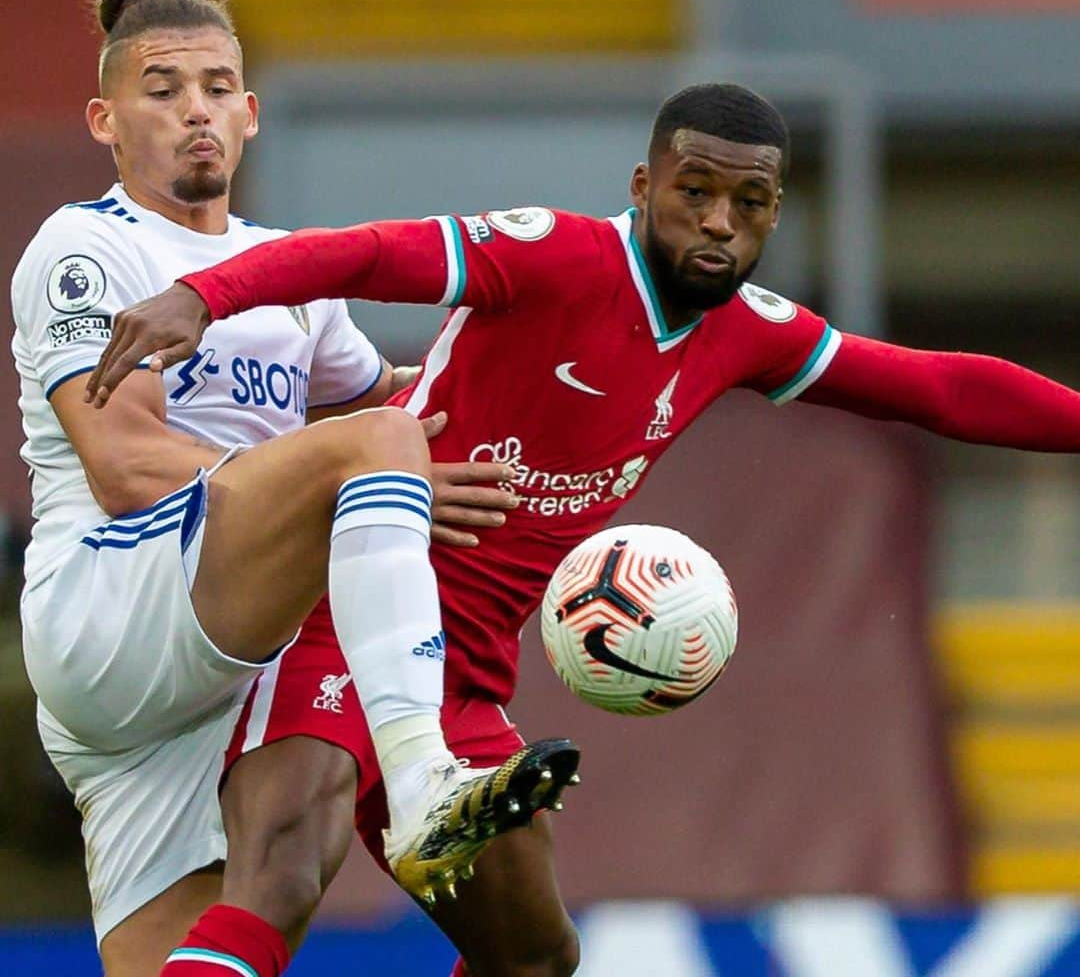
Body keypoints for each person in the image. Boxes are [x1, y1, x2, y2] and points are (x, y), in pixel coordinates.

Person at [88, 78, 1080, 976]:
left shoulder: (745, 333)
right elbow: (371, 253)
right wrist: (201, 295)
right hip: (343, 618)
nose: (720, 224)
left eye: (751, 204)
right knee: (283, 872)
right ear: (644, 185)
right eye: (697, 191)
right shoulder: (555, 256)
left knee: (533, 958)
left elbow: (940, 388)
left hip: (465, 680)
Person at [11, 0, 579, 977]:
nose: (196, 111)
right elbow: (126, 463)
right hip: (118, 603)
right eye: (163, 89)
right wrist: (363, 474)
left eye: (217, 88)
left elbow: (394, 401)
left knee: (214, 956)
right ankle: (420, 781)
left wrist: (548, 378)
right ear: (106, 123)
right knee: (375, 448)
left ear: (251, 113)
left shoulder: (290, 278)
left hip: (217, 661)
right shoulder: (87, 247)